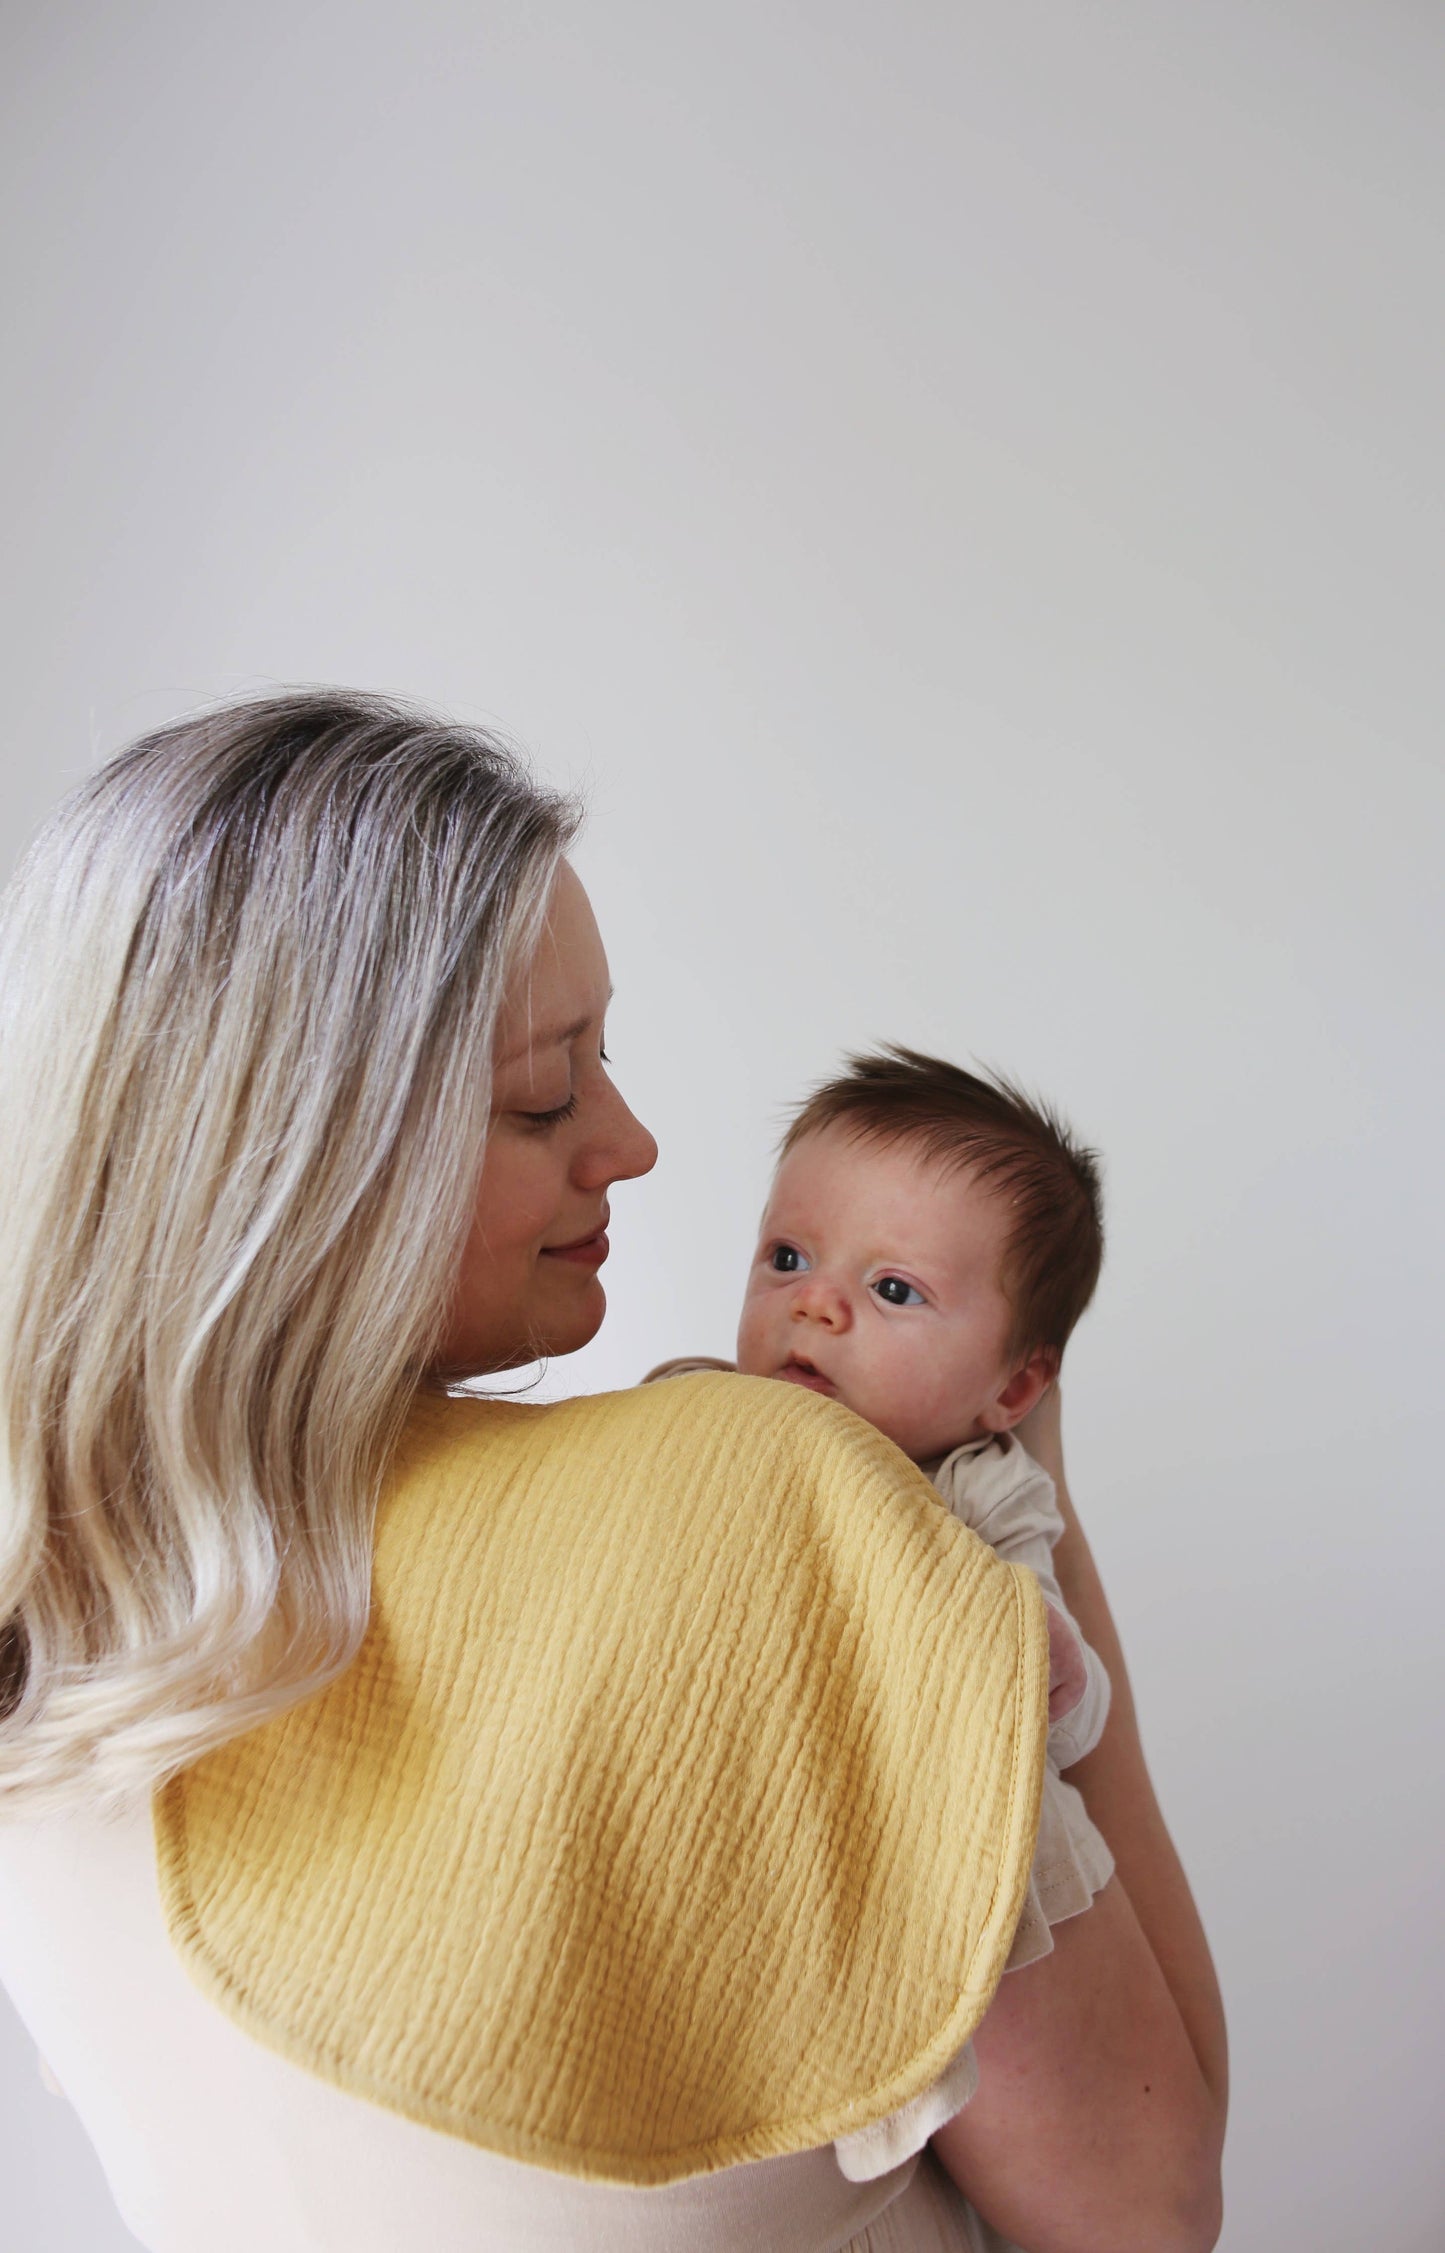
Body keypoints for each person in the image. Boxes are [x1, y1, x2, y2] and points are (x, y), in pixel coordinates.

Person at [0, 688, 1226, 2253]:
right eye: (543, 1093)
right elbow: (1147, 2202)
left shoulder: (51, 1616)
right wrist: (1008, 1474)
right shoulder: (768, 1514)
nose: (634, 1141)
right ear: (294, 1162)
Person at [650, 1045, 1115, 1774]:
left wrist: (1052, 1667)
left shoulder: (982, 1492)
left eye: (892, 1290)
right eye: (787, 1257)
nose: (814, 1302)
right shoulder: (697, 1410)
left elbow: (1073, 1725)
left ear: (1013, 1390)